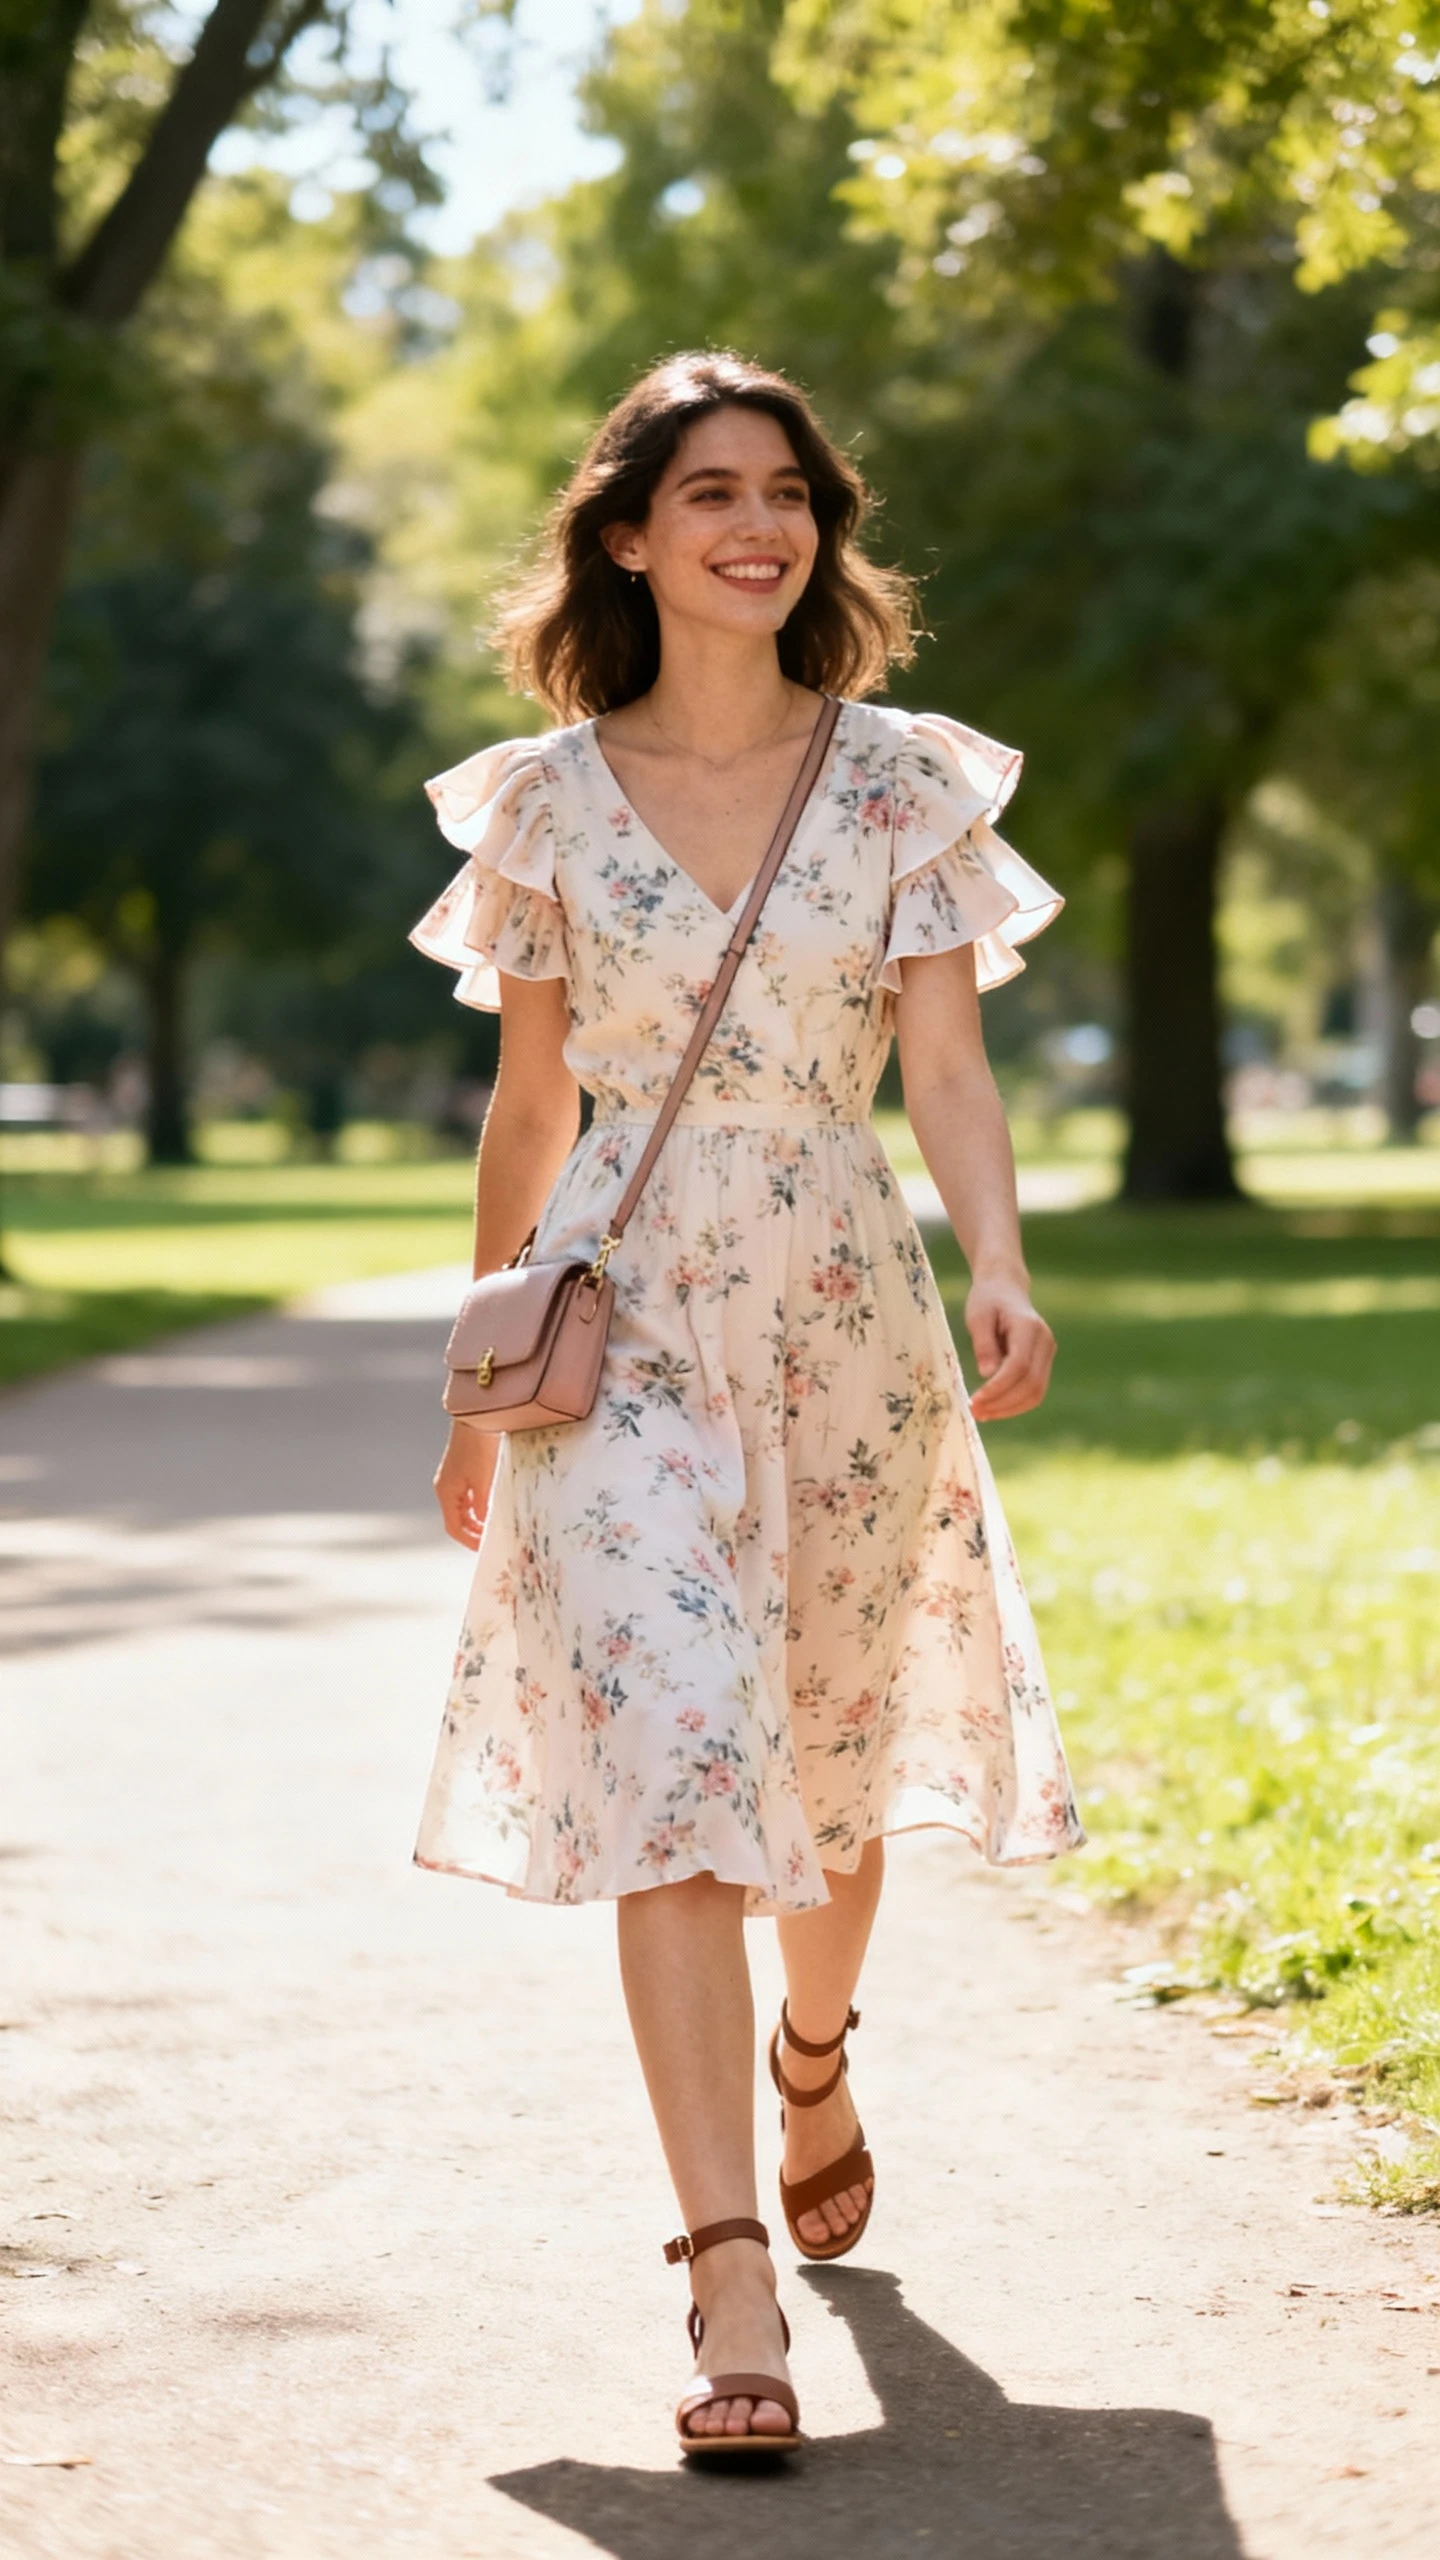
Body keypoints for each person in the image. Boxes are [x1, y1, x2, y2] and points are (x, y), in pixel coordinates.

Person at [410, 351, 1084, 2461]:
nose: (756, 521)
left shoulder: (900, 785)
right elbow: (529, 1099)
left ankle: (818, 2046)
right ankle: (726, 2274)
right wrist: (474, 1381)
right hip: (622, 1299)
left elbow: (949, 1068)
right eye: (708, 488)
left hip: (843, 1295)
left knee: (824, 1750)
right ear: (629, 532)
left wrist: (996, 1249)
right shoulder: (540, 798)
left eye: (787, 490)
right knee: (679, 1750)